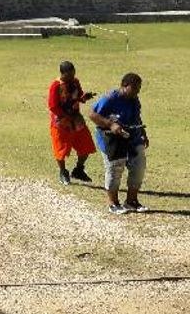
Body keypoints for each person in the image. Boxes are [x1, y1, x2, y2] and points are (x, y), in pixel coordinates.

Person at [88, 72, 149, 214]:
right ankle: (113, 203)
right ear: (124, 85)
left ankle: (131, 201)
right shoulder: (110, 98)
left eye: (139, 88)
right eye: (134, 88)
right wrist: (110, 124)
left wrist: (143, 133)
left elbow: (137, 117)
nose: (137, 91)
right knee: (115, 168)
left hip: (132, 137)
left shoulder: (134, 100)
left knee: (139, 166)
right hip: (111, 139)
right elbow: (92, 114)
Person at [48, 60, 96, 186]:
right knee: (61, 149)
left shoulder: (75, 82)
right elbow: (53, 106)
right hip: (61, 122)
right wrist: (65, 116)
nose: (72, 77)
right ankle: (63, 171)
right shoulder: (56, 86)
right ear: (62, 73)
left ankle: (78, 170)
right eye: (69, 75)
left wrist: (85, 97)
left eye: (73, 74)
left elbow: (78, 96)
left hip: (76, 119)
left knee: (86, 145)